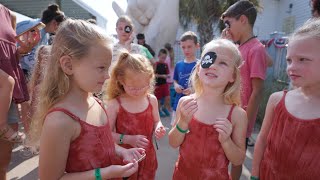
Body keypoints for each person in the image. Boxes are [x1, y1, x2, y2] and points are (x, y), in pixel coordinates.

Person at [28, 19, 145, 179]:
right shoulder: (60, 120)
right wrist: (105, 173)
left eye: (108, 67)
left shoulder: (95, 102)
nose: (108, 75)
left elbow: (101, 143)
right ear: (68, 65)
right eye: (101, 68)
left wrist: (122, 151)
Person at [168, 38, 248, 179]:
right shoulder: (184, 103)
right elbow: (173, 143)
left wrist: (226, 141)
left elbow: (238, 160)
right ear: (199, 68)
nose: (213, 66)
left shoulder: (237, 115)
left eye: (222, 63)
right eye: (209, 59)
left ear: (233, 76)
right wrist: (182, 124)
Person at [251, 18, 320, 180]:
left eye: (302, 59)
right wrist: (254, 174)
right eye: (289, 60)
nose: (291, 67)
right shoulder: (276, 100)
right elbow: (261, 140)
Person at [221, 1, 269, 178]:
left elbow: (257, 91)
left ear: (243, 20)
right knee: (224, 151)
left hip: (242, 117)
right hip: (229, 111)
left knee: (236, 159)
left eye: (228, 24)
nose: (226, 29)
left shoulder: (256, 49)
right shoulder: (239, 47)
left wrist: (246, 123)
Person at [105, 52, 166, 180]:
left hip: (148, 158)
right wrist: (129, 139)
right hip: (125, 159)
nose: (138, 92)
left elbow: (156, 121)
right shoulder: (115, 104)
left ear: (149, 79)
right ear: (121, 81)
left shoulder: (151, 100)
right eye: (133, 88)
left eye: (143, 87)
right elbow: (106, 135)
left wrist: (158, 127)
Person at [0, 3, 36, 179]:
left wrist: (21, 51)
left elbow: (10, 55)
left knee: (2, 164)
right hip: (5, 85)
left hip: (7, 100)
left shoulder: (9, 15)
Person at [171, 31, 199, 126]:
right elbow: (175, 80)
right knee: (176, 128)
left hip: (195, 106)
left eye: (189, 47)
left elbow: (204, 85)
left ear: (197, 46)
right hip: (178, 105)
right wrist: (176, 86)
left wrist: (193, 90)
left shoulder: (200, 65)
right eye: (183, 47)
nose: (186, 50)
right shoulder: (179, 65)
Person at [154, 49, 170, 117]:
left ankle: (164, 108)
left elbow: (167, 74)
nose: (163, 59)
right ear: (158, 56)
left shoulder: (165, 65)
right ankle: (159, 110)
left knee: (168, 97)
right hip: (157, 84)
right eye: (162, 57)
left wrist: (167, 76)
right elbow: (153, 74)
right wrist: (161, 76)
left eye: (165, 58)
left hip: (164, 84)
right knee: (158, 99)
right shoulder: (156, 64)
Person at [164, 42, 175, 111]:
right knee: (169, 93)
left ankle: (167, 107)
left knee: (167, 94)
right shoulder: (172, 57)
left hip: (167, 77)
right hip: (172, 77)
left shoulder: (167, 58)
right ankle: (169, 107)